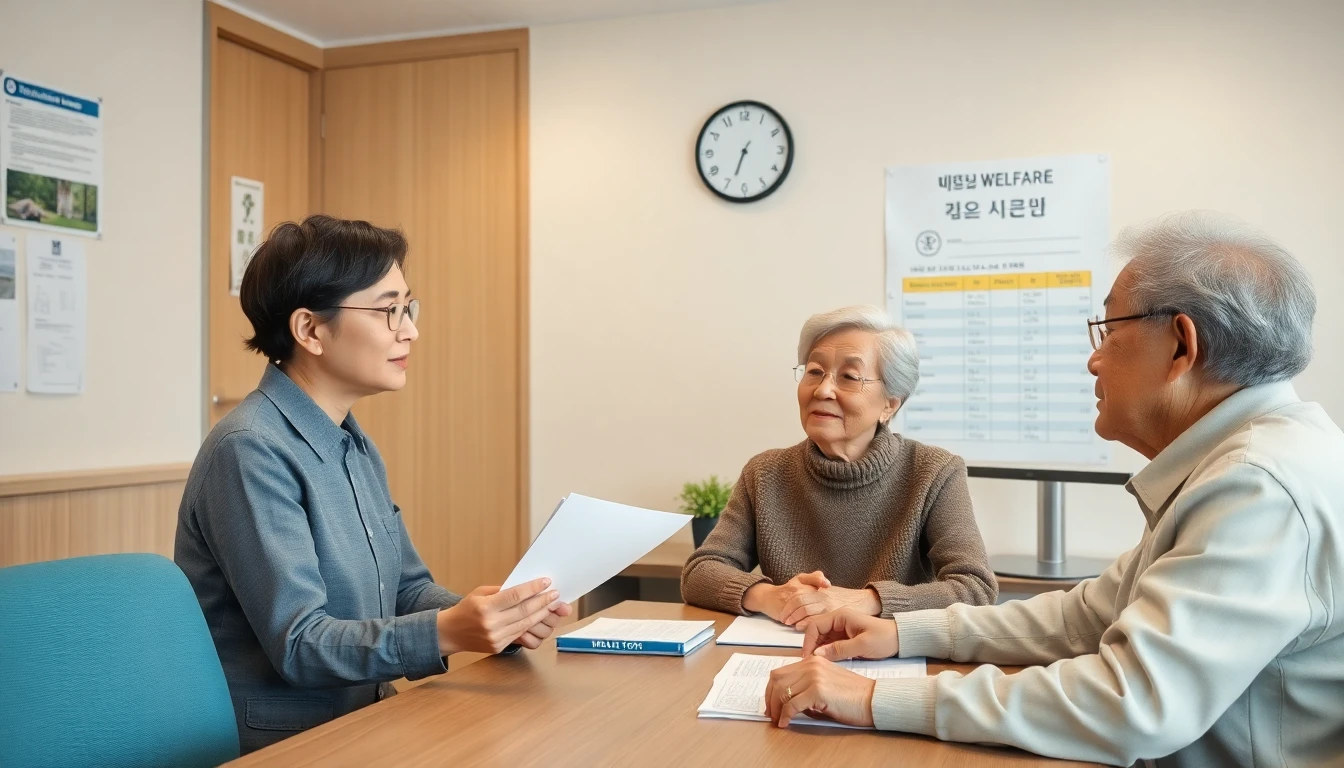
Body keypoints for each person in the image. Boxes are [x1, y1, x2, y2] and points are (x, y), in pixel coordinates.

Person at [764, 212, 1344, 767]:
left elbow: (1129, 701)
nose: (1094, 360)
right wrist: (901, 631)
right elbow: (1086, 616)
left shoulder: (1256, 487)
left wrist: (872, 699)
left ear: (1180, 347)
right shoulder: (1245, 460)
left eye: (1108, 329)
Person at [175, 215, 569, 754]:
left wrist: (496, 618)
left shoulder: (351, 442)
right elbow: (300, 645)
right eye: (388, 311)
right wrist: (450, 631)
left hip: (366, 720)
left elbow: (406, 589)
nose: (410, 330)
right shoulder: (249, 450)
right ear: (310, 330)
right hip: (285, 745)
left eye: (408, 307)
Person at [681, 305, 997, 626]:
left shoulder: (934, 472)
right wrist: (771, 596)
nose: (823, 389)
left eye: (848, 377)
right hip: (785, 655)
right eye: (815, 371)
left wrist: (868, 600)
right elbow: (700, 571)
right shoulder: (766, 473)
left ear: (889, 404)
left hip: (887, 662)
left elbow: (975, 588)